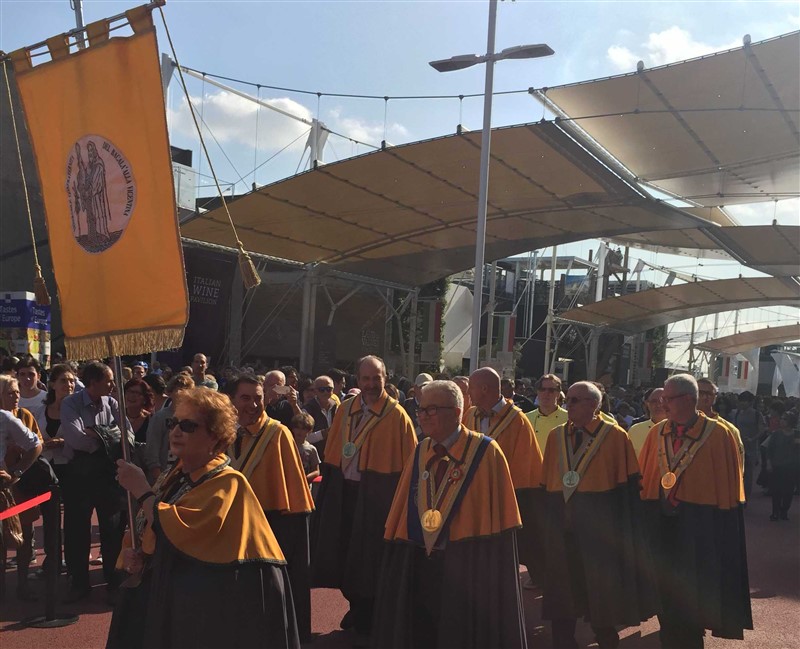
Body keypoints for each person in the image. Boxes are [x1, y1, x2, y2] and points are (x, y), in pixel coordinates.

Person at [107, 388, 300, 649]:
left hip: (214, 604)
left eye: (188, 426)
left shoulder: (228, 481)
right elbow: (151, 526)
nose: (176, 431)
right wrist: (138, 553)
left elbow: (185, 529)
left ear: (216, 439)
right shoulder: (174, 474)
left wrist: (141, 490)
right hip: (175, 595)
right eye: (173, 423)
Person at [373, 380, 526, 648]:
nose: (423, 416)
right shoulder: (421, 449)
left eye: (431, 410)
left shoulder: (487, 452)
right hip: (422, 561)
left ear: (456, 412)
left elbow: (496, 519)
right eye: (421, 410)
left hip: (467, 564)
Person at [540, 381, 657, 649]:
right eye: (566, 399)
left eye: (573, 401)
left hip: (599, 533)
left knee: (600, 594)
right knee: (562, 590)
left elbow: (627, 493)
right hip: (563, 527)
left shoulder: (615, 437)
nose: (566, 405)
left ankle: (606, 638)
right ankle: (563, 641)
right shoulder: (555, 437)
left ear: (594, 405)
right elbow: (546, 486)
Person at [639, 374, 752, 648]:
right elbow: (643, 480)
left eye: (668, 398)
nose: (662, 404)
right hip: (662, 527)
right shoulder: (656, 433)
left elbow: (728, 491)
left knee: (693, 601)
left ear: (688, 400)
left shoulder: (719, 434)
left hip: (700, 528)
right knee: (665, 599)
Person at [311, 355, 417, 646]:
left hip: (377, 495)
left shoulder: (397, 416)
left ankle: (367, 610)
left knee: (369, 558)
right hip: (344, 492)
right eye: (366, 379)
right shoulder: (345, 409)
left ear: (386, 378)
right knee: (343, 552)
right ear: (358, 380)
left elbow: (410, 465)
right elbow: (335, 451)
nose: (371, 384)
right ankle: (355, 605)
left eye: (376, 378)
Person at [227, 374, 315, 643]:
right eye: (245, 398)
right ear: (232, 400)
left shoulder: (278, 433)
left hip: (272, 521)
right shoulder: (225, 432)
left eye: (258, 398)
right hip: (231, 522)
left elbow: (293, 493)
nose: (253, 405)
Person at [466, 367, 544, 587]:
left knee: (518, 543)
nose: (468, 393)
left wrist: (502, 490)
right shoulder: (470, 414)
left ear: (483, 389)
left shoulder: (517, 420)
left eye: (471, 388)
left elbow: (526, 462)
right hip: (474, 491)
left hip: (507, 494)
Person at [60, 361, 126, 603]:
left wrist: (98, 435)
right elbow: (76, 438)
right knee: (77, 530)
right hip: (79, 474)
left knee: (112, 529)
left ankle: (114, 579)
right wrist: (108, 438)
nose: (112, 385)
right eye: (108, 380)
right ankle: (79, 583)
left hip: (107, 474)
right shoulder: (71, 403)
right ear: (93, 382)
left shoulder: (112, 403)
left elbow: (125, 433)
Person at [0, 375, 46, 600]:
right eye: (10, 392)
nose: (16, 396)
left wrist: (17, 470)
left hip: (19, 484)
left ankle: (22, 584)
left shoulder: (22, 416)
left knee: (24, 535)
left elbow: (37, 444)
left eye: (17, 391)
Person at [143, 373, 194, 483]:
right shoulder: (160, 417)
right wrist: (158, 477)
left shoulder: (193, 418)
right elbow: (152, 448)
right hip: (162, 474)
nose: (182, 394)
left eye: (186, 390)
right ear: (170, 393)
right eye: (178, 390)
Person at [696, 378, 744, 471]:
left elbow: (738, 466)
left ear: (715, 397)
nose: (705, 397)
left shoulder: (729, 429)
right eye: (700, 393)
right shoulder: (680, 424)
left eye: (710, 394)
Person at [729, 390, 764, 501]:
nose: (742, 404)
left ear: (750, 402)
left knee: (748, 475)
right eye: (741, 401)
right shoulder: (736, 413)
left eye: (744, 401)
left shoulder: (757, 414)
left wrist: (753, 439)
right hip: (737, 446)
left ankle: (744, 497)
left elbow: (762, 430)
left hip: (751, 448)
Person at [764, 410, 799, 521]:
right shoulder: (776, 434)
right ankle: (775, 512)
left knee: (789, 491)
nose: (781, 421)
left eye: (784, 419)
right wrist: (769, 463)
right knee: (776, 490)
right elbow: (769, 449)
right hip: (777, 465)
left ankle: (784, 510)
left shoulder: (797, 434)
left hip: (792, 466)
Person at [525, 374, 568, 460]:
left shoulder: (569, 418)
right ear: (538, 392)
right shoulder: (526, 418)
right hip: (534, 468)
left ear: (558, 394)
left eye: (551, 390)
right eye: (542, 389)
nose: (546, 393)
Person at [303, 374, 338, 461]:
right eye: (321, 390)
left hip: (333, 456)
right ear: (315, 391)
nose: (325, 392)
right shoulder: (307, 409)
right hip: (314, 458)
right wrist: (323, 434)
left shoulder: (337, 407)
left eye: (328, 389)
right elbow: (303, 437)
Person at [627, 388, 665, 457]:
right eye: (654, 401)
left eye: (662, 401)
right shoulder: (635, 430)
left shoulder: (678, 430)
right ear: (647, 404)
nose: (658, 405)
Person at [291, 412, 321, 482]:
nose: (299, 431)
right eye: (297, 428)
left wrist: (306, 478)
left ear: (309, 431)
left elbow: (316, 471)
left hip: (305, 486)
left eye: (303, 429)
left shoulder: (311, 449)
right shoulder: (287, 445)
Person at [123, 378, 153, 444]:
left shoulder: (152, 420)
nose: (131, 395)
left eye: (137, 393)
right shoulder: (117, 416)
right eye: (129, 391)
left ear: (145, 398)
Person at [403, 372, 433, 438]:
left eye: (429, 388)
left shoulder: (435, 406)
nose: (425, 391)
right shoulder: (407, 405)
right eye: (422, 387)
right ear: (415, 388)